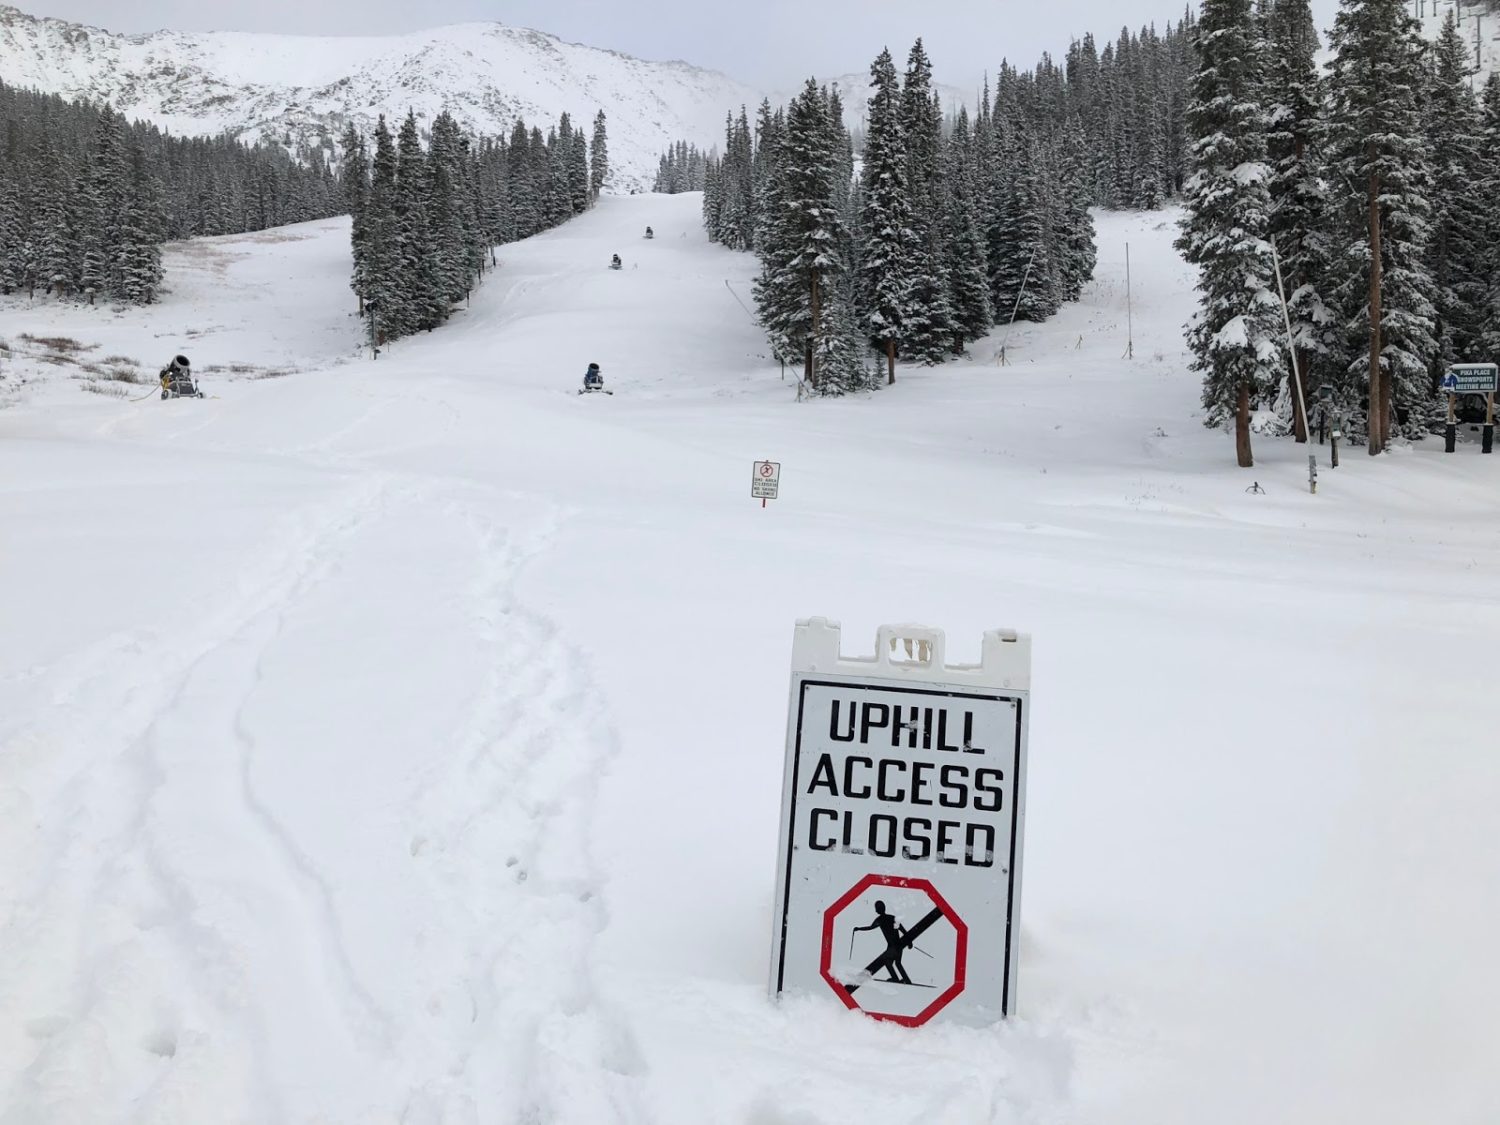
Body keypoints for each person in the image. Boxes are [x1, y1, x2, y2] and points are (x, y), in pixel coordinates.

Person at [852, 900, 911, 984]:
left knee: (887, 961)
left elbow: (870, 928)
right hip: (899, 945)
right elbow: (903, 930)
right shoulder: (892, 917)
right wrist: (909, 942)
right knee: (897, 963)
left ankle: (895, 978)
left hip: (892, 946)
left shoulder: (879, 920)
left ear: (877, 910)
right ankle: (906, 980)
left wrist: (858, 928)